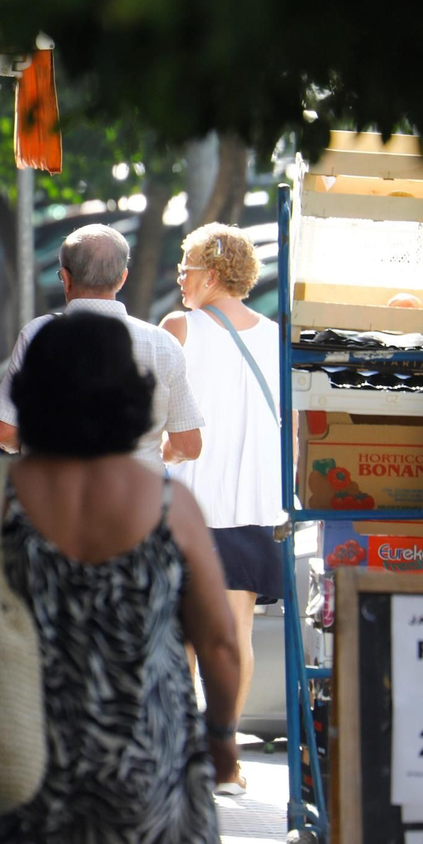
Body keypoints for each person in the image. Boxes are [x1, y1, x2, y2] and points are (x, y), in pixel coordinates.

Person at [0, 313, 241, 844]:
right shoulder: (172, 506)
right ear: (130, 391)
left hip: (18, 750)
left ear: (36, 390)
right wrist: (223, 735)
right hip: (139, 754)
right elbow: (220, 641)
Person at [161, 224, 283, 795]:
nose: (179, 279)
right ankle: (226, 764)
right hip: (252, 505)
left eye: (184, 268)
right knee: (234, 636)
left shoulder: (179, 329)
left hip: (191, 504)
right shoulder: (276, 336)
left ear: (210, 274)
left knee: (184, 637)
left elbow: (161, 417)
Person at [0, 223, 203, 470]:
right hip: (140, 497)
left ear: (66, 279)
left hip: (54, 495)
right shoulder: (163, 344)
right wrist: (148, 459)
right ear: (122, 278)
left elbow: (1, 431)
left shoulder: (39, 333)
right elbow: (188, 445)